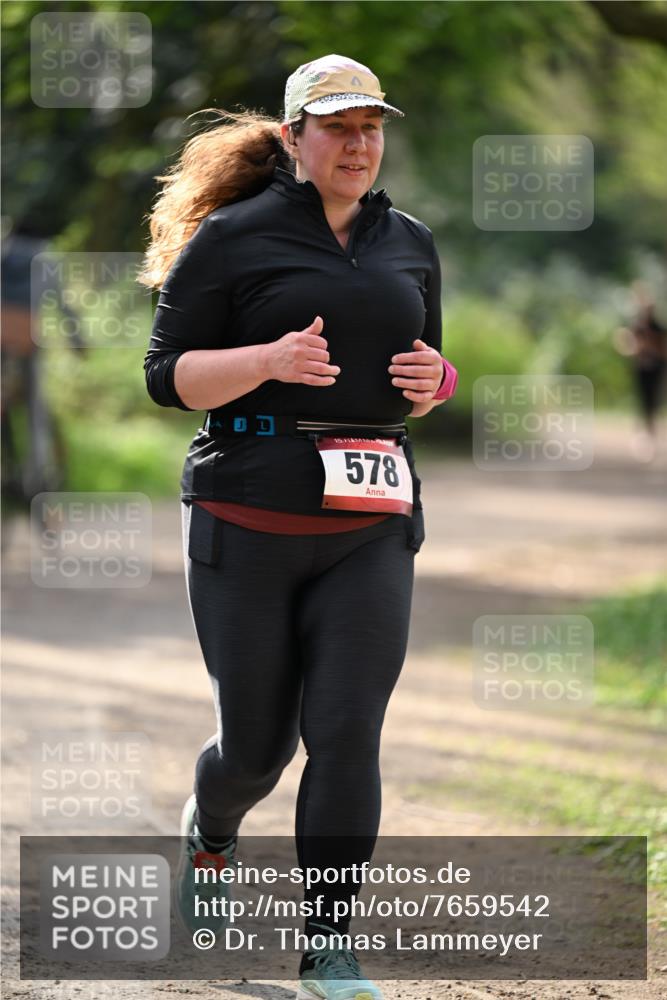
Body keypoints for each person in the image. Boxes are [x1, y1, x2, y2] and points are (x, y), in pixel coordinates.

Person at [140, 53, 456, 1000]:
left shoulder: (411, 240)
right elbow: (166, 377)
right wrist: (269, 357)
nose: (357, 144)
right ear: (294, 139)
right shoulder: (233, 239)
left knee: (348, 730)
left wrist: (433, 385)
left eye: (370, 127)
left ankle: (328, 948)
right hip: (248, 514)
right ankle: (211, 827)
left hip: (370, 521)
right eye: (337, 127)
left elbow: (428, 367)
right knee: (257, 750)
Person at [614, 282, 666, 462]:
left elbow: (662, 350)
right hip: (641, 369)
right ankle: (643, 435)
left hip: (656, 368)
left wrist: (650, 345)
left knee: (652, 402)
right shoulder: (636, 327)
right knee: (642, 401)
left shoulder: (658, 328)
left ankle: (650, 436)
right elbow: (626, 346)